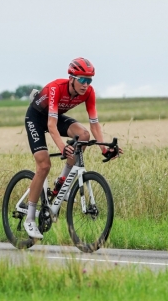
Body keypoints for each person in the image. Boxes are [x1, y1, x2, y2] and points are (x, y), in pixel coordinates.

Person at [24, 57, 122, 239]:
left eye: (89, 80)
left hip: (55, 116)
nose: (86, 84)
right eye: (82, 80)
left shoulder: (89, 93)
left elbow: (94, 125)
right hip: (36, 118)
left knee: (84, 136)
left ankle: (62, 182)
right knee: (44, 166)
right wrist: (62, 148)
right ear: (71, 78)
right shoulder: (56, 88)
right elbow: (51, 126)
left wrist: (104, 149)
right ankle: (29, 218)